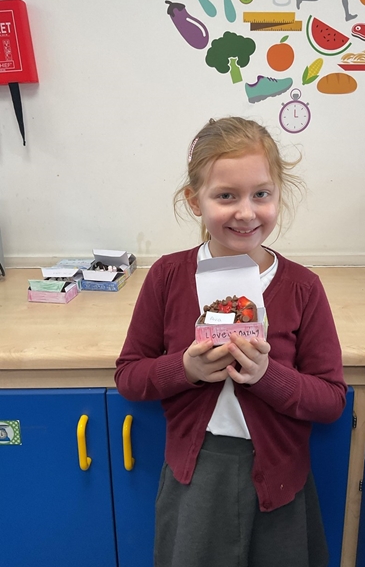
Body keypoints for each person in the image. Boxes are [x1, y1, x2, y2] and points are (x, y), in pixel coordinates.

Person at [115, 116, 347, 567]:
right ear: (194, 201)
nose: (246, 212)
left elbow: (331, 399)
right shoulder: (168, 276)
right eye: (226, 196)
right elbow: (129, 376)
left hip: (280, 478)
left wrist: (267, 376)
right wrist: (185, 369)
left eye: (261, 194)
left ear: (278, 194)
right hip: (196, 472)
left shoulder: (302, 287)